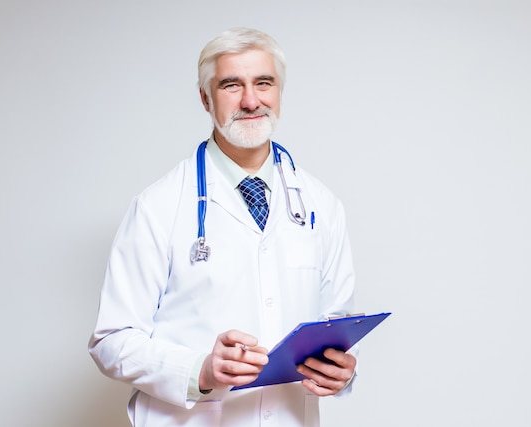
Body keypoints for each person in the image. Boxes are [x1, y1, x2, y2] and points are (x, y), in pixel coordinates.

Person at [88, 27, 357, 427]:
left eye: (263, 83)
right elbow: (111, 341)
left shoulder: (320, 204)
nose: (251, 100)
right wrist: (200, 370)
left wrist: (342, 372)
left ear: (279, 91)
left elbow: (335, 324)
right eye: (232, 85)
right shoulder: (158, 206)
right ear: (205, 98)